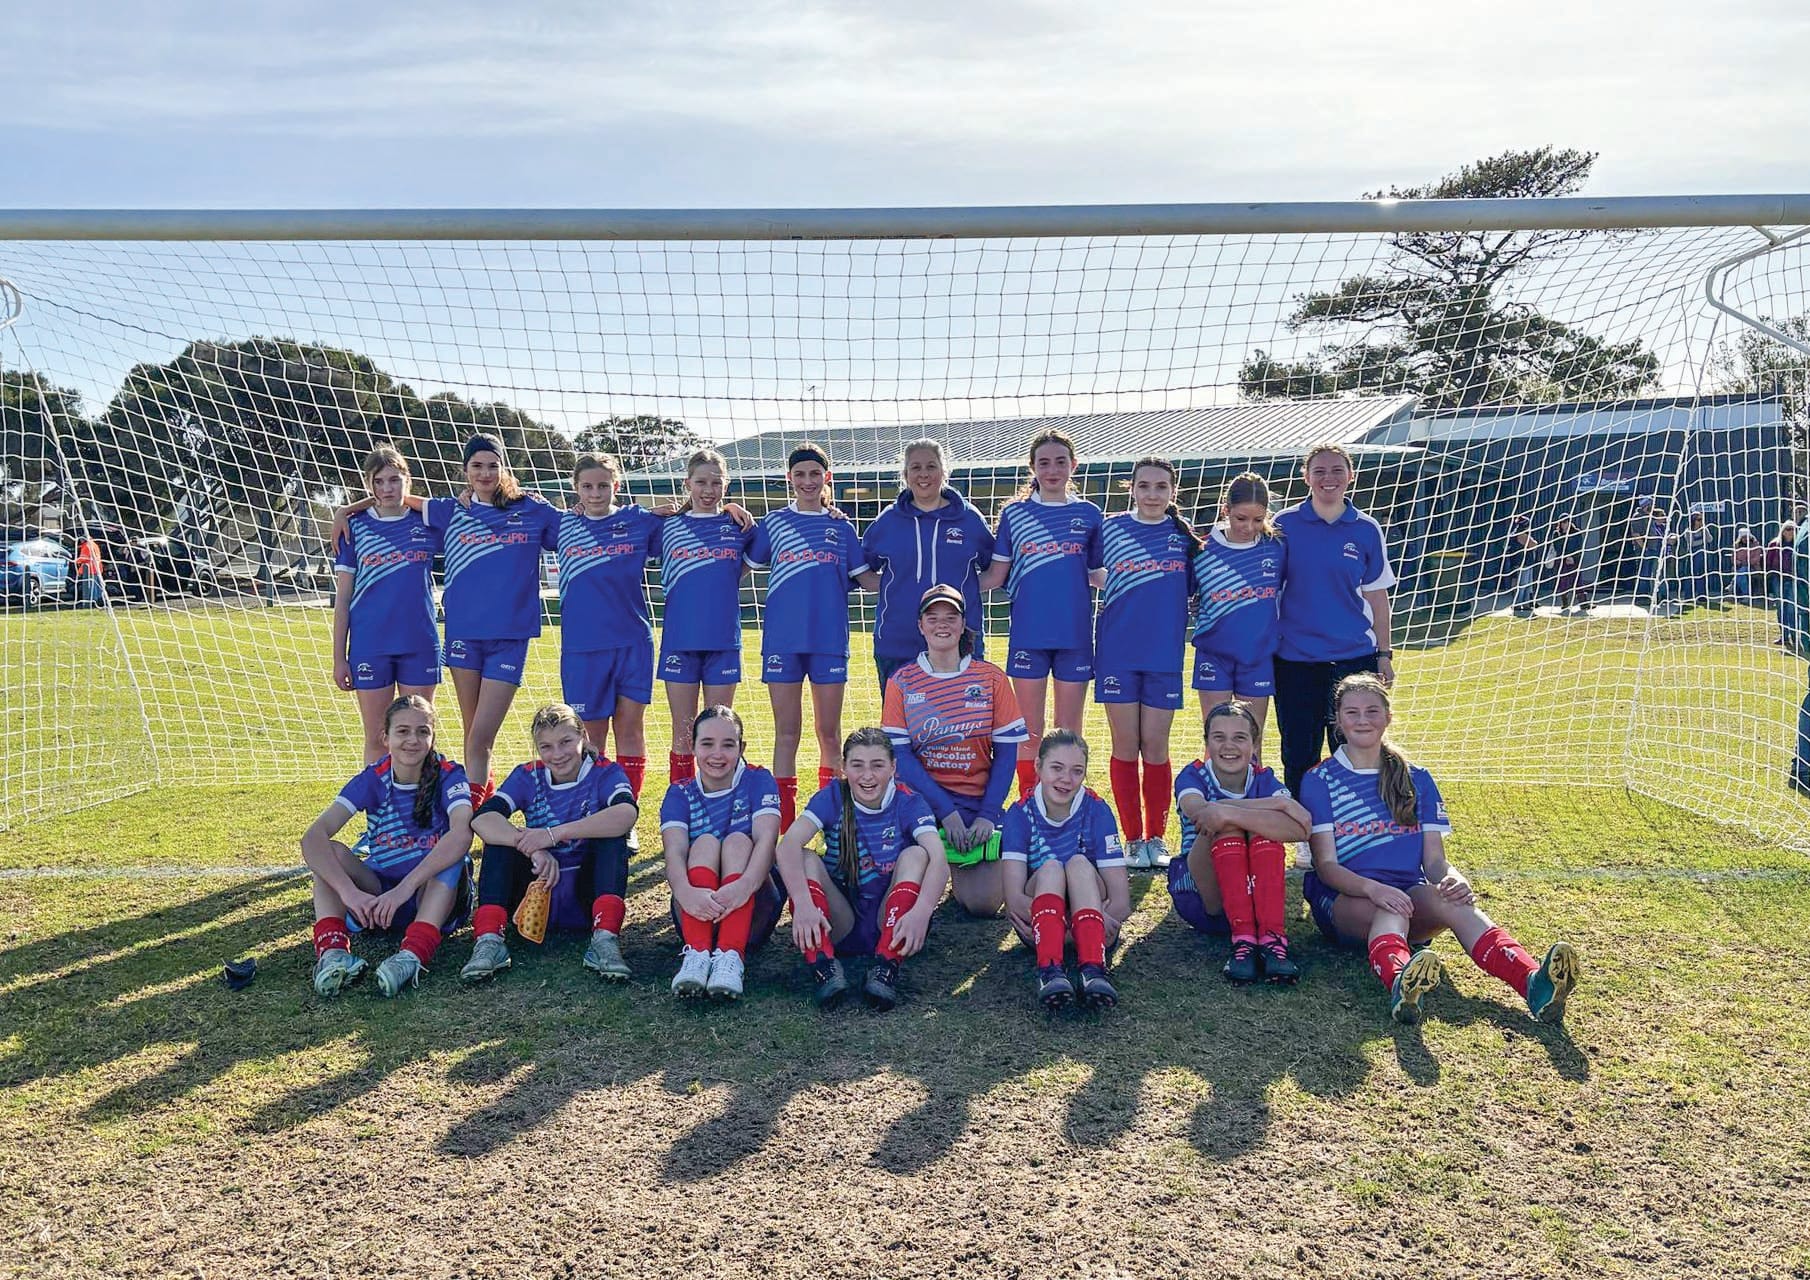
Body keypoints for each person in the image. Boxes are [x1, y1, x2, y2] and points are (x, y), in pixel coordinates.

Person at [1300, 674, 1580, 1024]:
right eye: (1352, 712)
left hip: (1408, 893)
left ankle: (1533, 983)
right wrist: (1374, 889)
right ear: (1338, 720)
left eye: (1372, 711)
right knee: (1394, 910)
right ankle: (1401, 981)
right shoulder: (1319, 779)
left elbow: (1434, 861)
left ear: (1388, 717)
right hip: (1344, 900)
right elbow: (1326, 866)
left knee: (1454, 903)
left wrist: (1453, 878)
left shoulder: (1416, 777)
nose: (1362, 720)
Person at [329, 434, 561, 803]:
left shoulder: (526, 509)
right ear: (465, 471)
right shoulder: (447, 512)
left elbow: (581, 523)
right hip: (447, 639)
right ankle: (389, 814)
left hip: (476, 639)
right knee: (450, 736)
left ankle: (471, 811)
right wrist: (344, 511)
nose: (485, 473)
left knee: (469, 736)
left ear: (504, 468)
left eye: (492, 465)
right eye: (476, 466)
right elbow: (394, 498)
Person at [299, 695, 474, 998]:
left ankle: (411, 956)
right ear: (386, 737)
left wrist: (404, 889)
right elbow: (313, 837)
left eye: (422, 731)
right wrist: (349, 893)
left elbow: (462, 835)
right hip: (379, 899)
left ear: (432, 737)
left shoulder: (449, 774)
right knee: (332, 854)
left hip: (428, 895)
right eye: (403, 731)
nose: (413, 740)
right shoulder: (374, 778)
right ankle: (333, 953)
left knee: (452, 858)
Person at [460, 703, 639, 983]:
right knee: (499, 841)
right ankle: (489, 942)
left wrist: (554, 834)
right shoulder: (527, 774)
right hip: (534, 890)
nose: (557, 755)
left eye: (566, 742)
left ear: (584, 737)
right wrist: (532, 847)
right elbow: (483, 819)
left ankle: (604, 940)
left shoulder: (605, 772)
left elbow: (626, 814)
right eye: (546, 747)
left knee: (612, 838)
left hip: (586, 895)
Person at [775, 727, 948, 1011]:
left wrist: (922, 911)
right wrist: (803, 904)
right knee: (805, 858)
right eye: (857, 765)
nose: (867, 776)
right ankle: (823, 965)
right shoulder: (832, 796)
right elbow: (787, 846)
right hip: (839, 922)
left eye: (877, 765)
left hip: (889, 921)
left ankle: (887, 965)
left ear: (893, 767)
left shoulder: (909, 802)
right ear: (844, 768)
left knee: (917, 855)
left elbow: (939, 860)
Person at [882, 585, 1027, 916]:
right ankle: (938, 860)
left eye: (950, 617)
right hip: (921, 804)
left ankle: (961, 864)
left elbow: (1006, 754)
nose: (941, 625)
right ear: (920, 626)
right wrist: (946, 814)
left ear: (963, 624)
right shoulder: (901, 681)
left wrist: (987, 815)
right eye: (932, 618)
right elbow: (901, 759)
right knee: (898, 893)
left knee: (983, 905)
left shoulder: (991, 678)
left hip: (975, 806)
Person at [978, 429, 1105, 799]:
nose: (1052, 470)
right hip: (1028, 637)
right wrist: (946, 581)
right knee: (1029, 732)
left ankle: (1067, 807)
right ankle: (1029, 806)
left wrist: (1150, 589)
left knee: (1068, 730)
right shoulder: (1015, 515)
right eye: (1044, 462)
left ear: (1073, 466)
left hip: (1075, 637)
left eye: (1060, 461)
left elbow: (1098, 574)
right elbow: (995, 576)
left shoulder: (1089, 514)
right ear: (1032, 467)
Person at [746, 443, 865, 829]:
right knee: (787, 733)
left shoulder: (841, 527)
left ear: (826, 478)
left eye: (816, 474)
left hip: (829, 642)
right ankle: (784, 823)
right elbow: (739, 563)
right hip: (782, 642)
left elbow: (868, 579)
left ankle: (831, 818)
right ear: (789, 479)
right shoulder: (774, 523)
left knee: (829, 733)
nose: (808, 481)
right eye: (800, 474)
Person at [1272, 442, 1397, 801]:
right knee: (1299, 751)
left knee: (1353, 749)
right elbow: (1269, 589)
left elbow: (1377, 596)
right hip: (1295, 658)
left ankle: (1354, 827)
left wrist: (1383, 654)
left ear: (1351, 476)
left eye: (1337, 470)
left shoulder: (1366, 528)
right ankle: (1305, 833)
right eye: (1320, 471)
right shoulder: (1284, 525)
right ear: (1306, 476)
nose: (1329, 478)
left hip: (1353, 658)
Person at [1096, 456, 1199, 870]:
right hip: (1117, 653)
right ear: (1132, 489)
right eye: (1144, 486)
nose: (1152, 494)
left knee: (1155, 746)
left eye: (1161, 487)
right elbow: (1082, 570)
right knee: (1125, 745)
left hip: (1163, 656)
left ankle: (1156, 838)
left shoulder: (1184, 538)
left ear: (1172, 492)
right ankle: (1131, 839)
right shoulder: (1111, 528)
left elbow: (1199, 588)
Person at [1170, 701, 1310, 983]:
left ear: (1254, 743)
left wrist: (1228, 810)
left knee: (1260, 834)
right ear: (1206, 741)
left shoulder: (1263, 778)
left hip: (1256, 898)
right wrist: (1276, 806)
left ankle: (1272, 941)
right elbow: (1203, 814)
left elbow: (1301, 827)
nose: (1228, 746)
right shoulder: (1193, 775)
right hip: (1203, 895)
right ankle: (1243, 941)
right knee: (1226, 830)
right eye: (1218, 737)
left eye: (1240, 737)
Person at [657, 705, 784, 1000]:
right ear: (693, 747)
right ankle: (697, 956)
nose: (717, 754)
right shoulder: (680, 791)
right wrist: (686, 893)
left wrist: (744, 885)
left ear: (742, 748)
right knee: (704, 843)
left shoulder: (758, 778)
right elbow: (674, 853)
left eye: (728, 745)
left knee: (738, 841)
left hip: (753, 904)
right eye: (707, 744)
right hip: (694, 909)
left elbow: (767, 840)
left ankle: (731, 958)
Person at [554, 452, 660, 805]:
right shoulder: (560, 525)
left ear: (616, 486)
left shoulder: (638, 521)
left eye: (603, 485)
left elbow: (688, 516)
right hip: (583, 648)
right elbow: (508, 507)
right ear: (576, 488)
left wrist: (732, 508)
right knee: (591, 735)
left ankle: (626, 811)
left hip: (633, 643)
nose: (595, 493)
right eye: (587, 486)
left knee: (630, 730)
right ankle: (596, 807)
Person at [999, 730, 1130, 1010]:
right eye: (1056, 768)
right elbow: (1014, 901)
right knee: (1051, 868)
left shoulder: (1097, 809)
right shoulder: (1019, 813)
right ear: (1038, 767)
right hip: (1041, 927)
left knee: (1078, 863)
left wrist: (1094, 921)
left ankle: (1093, 969)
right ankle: (1050, 971)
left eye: (1076, 771)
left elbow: (1121, 901)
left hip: (1097, 925)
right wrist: (1061, 926)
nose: (1066, 779)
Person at [330, 445, 442, 765]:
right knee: (378, 737)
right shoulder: (355, 527)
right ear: (370, 484)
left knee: (419, 738)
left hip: (419, 643)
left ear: (408, 479)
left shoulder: (428, 522)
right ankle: (379, 814)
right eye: (378, 482)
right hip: (370, 645)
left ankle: (420, 811)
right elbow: (343, 601)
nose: (387, 488)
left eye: (394, 479)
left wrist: (345, 508)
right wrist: (339, 658)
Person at [857, 438, 996, 688]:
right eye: (916, 467)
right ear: (905, 474)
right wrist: (894, 586)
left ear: (944, 471)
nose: (924, 474)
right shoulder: (888, 521)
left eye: (931, 466)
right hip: (898, 641)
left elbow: (994, 571)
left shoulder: (970, 519)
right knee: (900, 726)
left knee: (962, 723)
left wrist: (963, 590)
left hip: (960, 642)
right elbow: (863, 571)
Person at [657, 449, 755, 791]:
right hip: (679, 643)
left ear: (726, 485)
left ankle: (721, 802)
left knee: (719, 731)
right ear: (687, 483)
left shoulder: (739, 527)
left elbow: (743, 566)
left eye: (716, 482)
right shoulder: (666, 527)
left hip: (723, 643)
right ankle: (680, 808)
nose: (708, 489)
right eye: (701, 482)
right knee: (683, 731)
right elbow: (617, 520)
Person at [1190, 472, 1284, 736]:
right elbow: (1178, 592)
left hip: (1257, 656)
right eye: (1240, 518)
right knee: (1216, 738)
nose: (1249, 527)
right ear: (1225, 510)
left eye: (1258, 519)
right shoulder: (1202, 549)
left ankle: (1254, 780)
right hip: (1213, 654)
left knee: (1251, 741)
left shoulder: (1275, 548)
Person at [1544, 514, 1588, 615]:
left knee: (1578, 581)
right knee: (1563, 581)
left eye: (1565, 522)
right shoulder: (1556, 534)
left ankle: (1583, 603)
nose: (1563, 524)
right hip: (1562, 561)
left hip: (1574, 561)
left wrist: (1573, 558)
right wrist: (1565, 557)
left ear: (1569, 522)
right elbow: (1557, 546)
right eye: (1562, 522)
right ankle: (1565, 603)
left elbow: (1579, 547)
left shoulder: (1576, 532)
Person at [1768, 521, 1799, 646]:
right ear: (1783, 530)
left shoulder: (1799, 544)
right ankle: (1784, 636)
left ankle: (1795, 637)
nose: (1790, 532)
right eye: (1787, 529)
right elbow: (1768, 561)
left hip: (1793, 579)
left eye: (1792, 529)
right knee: (1781, 608)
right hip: (1778, 578)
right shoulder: (1774, 544)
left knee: (1792, 609)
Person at [1505, 516, 1541, 617]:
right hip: (1522, 563)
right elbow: (1533, 544)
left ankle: (1525, 604)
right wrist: (1533, 542)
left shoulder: (1519, 533)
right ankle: (1517, 604)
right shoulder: (1520, 534)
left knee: (1528, 585)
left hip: (1527, 563)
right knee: (1522, 584)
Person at [1731, 527, 1762, 604]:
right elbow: (1733, 558)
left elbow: (1756, 558)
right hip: (1739, 567)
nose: (1745, 539)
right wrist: (1737, 562)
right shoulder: (1736, 545)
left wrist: (1746, 562)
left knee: (1742, 571)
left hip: (1753, 567)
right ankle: (1746, 595)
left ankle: (1735, 585)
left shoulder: (1756, 545)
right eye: (1743, 537)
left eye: (1746, 536)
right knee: (1742, 572)